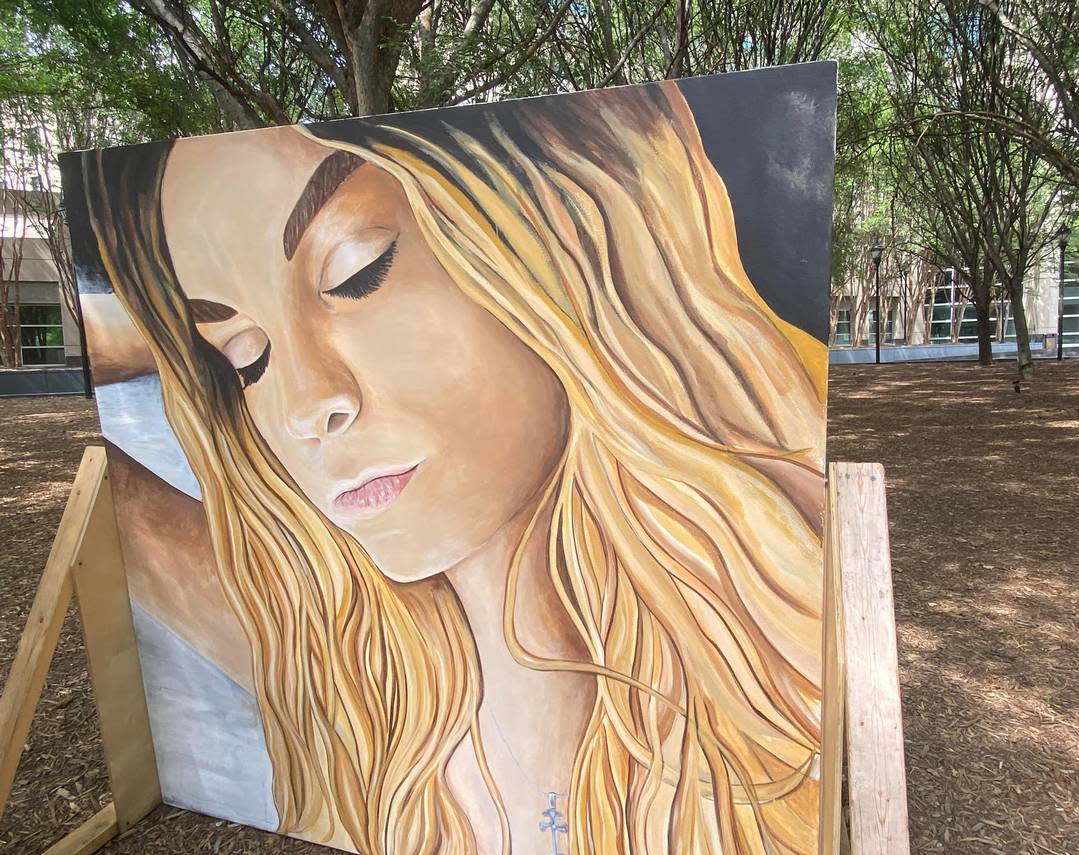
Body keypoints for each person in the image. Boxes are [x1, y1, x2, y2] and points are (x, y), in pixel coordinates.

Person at [76, 80, 827, 855]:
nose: (306, 404)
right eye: (246, 356)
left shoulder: (780, 642)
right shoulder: (359, 673)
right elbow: (134, 519)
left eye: (357, 272)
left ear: (555, 229)